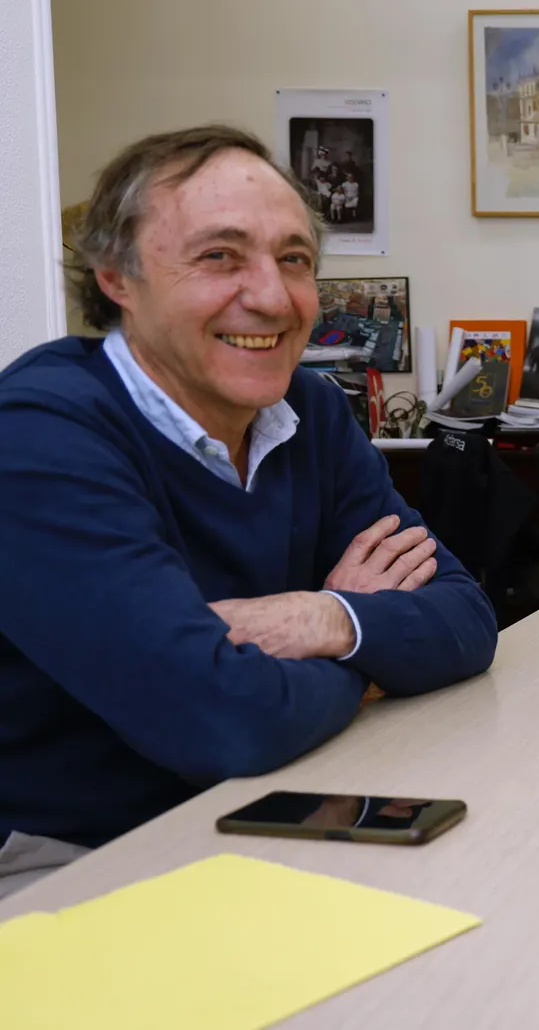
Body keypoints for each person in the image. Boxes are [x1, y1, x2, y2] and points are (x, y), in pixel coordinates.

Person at [0, 125, 497, 898]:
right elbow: (222, 720)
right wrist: (364, 665)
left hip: (275, 797)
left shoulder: (309, 409)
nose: (272, 296)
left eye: (293, 259)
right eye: (219, 256)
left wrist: (324, 618)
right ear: (115, 278)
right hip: (76, 852)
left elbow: (467, 618)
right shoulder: (38, 434)